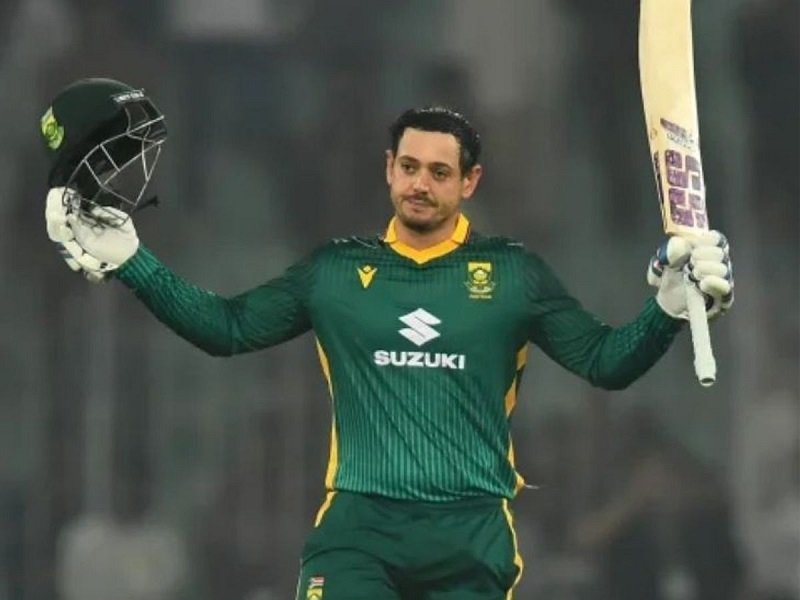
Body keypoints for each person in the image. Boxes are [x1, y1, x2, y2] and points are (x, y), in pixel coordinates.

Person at [41, 77, 734, 600]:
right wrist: (136, 263)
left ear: (470, 181)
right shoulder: (335, 273)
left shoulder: (514, 275)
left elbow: (606, 363)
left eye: (440, 172)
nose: (419, 185)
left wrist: (666, 309)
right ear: (388, 168)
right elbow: (226, 329)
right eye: (408, 167)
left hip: (470, 537)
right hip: (359, 532)